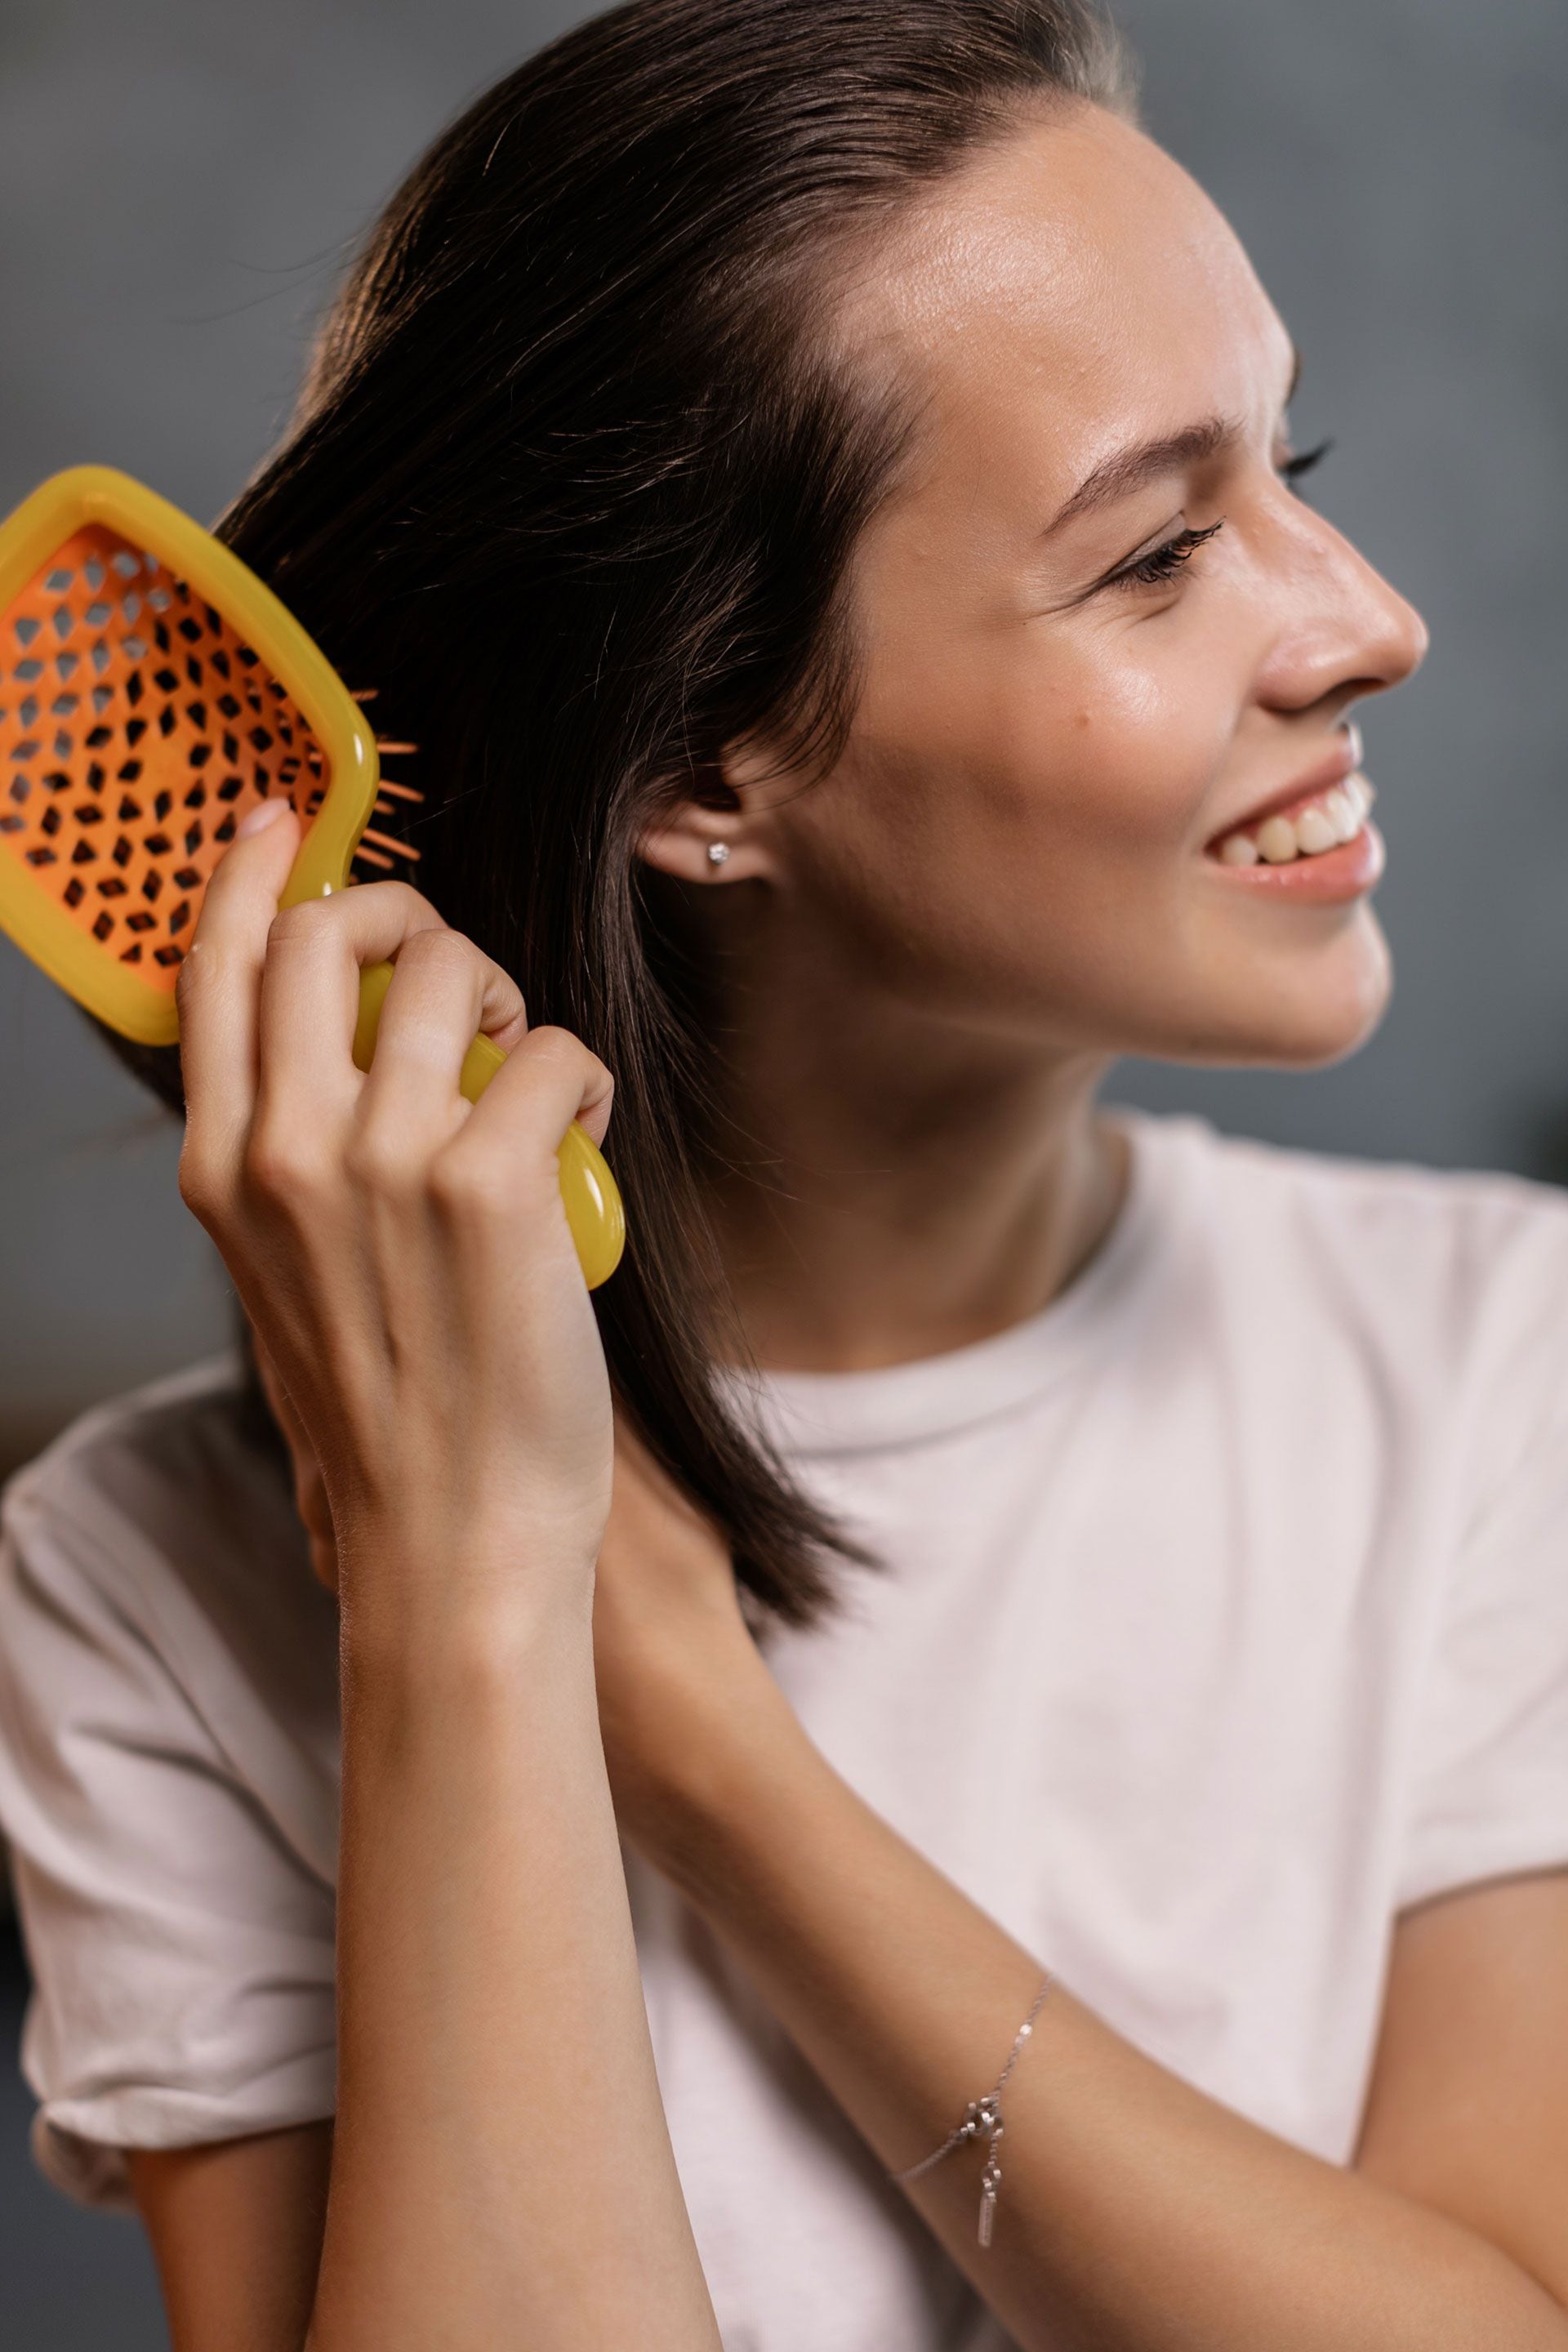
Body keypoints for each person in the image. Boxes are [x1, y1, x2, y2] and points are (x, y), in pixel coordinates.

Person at [1, 0, 1566, 2345]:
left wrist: (706, 1737)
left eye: (1293, 462)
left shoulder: (1489, 1373)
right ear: (705, 767)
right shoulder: (154, 1587)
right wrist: (474, 1604)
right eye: (1157, 558)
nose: (1367, 621)